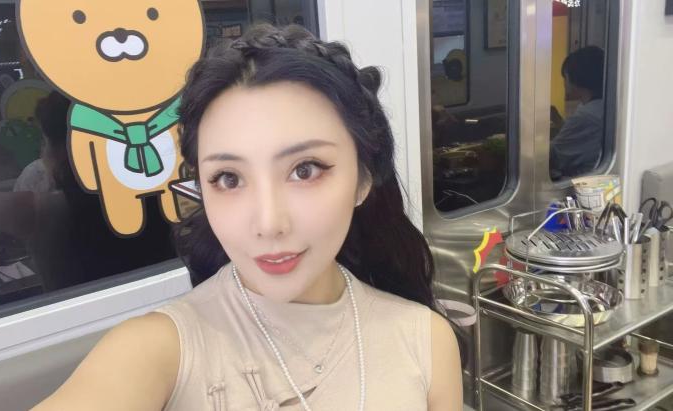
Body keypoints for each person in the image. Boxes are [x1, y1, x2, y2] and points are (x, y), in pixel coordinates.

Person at [31, 24, 462, 410]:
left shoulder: (424, 340)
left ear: (363, 179)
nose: (268, 223)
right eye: (229, 178)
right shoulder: (156, 350)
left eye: (305, 170)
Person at [0, 92, 176, 291]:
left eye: (44, 141)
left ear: (65, 151)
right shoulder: (155, 194)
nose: (42, 152)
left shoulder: (53, 212)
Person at [550, 46, 606, 180]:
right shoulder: (600, 105)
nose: (564, 83)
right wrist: (558, 120)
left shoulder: (586, 117)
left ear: (575, 79)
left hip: (583, 184)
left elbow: (554, 157)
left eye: (565, 77)